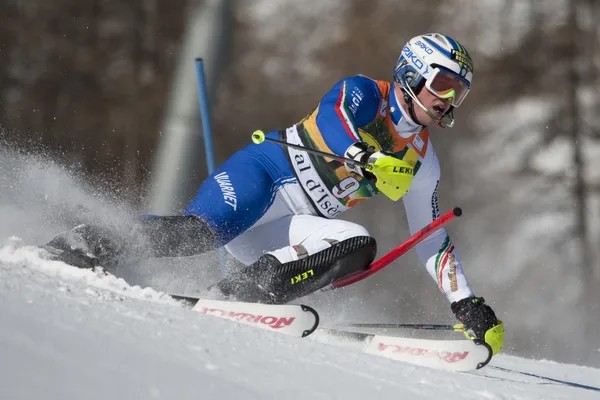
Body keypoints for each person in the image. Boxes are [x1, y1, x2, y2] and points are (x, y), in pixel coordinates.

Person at [45, 33, 504, 354]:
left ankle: (234, 294)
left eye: (458, 92)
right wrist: (367, 157)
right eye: (444, 84)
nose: (448, 100)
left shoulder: (424, 160)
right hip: (263, 177)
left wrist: (466, 302)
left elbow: (431, 236)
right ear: (412, 74)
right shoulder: (365, 93)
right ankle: (88, 241)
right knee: (195, 236)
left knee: (357, 245)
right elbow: (333, 119)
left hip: (290, 227)